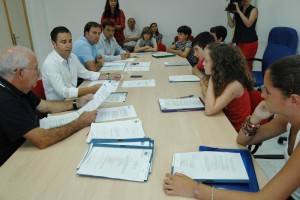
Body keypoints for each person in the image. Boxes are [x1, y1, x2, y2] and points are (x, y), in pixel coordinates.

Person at [164, 55, 300, 200]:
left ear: (293, 100)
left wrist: (195, 189)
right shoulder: (289, 118)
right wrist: (255, 118)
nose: (262, 94)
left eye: (268, 91)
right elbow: (242, 140)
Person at [0, 46, 98, 166]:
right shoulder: (5, 100)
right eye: (36, 68)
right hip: (13, 163)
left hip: (27, 147)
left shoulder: (17, 87)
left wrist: (76, 103)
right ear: (20, 73)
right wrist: (79, 122)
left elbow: (44, 106)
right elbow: (41, 139)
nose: (39, 73)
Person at [42, 26, 121, 101]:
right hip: (59, 106)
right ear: (54, 44)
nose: (68, 45)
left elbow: (86, 74)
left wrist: (108, 76)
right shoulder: (50, 64)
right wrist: (92, 89)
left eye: (70, 41)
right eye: (64, 42)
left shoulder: (72, 56)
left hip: (73, 99)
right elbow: (64, 92)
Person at [200, 43, 254, 132]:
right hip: (221, 121)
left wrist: (211, 80)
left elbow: (209, 110)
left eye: (206, 60)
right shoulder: (223, 77)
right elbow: (210, 100)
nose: (202, 64)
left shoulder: (234, 84)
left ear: (218, 64)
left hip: (233, 131)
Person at [227, 0, 258, 72]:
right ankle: (241, 82)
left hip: (250, 42)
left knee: (246, 65)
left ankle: (248, 82)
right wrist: (228, 13)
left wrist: (238, 10)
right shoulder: (239, 9)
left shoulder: (253, 9)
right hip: (239, 42)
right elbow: (232, 25)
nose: (246, 0)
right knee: (239, 64)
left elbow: (248, 24)